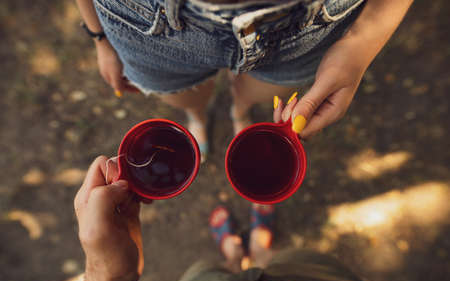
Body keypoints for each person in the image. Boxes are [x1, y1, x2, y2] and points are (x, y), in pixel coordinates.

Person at [75, 96, 382, 281]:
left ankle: (233, 254)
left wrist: (109, 279)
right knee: (292, 260)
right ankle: (260, 249)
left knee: (207, 272)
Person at [75, 0, 413, 161]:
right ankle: (198, 115)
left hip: (308, 24)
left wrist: (362, 41)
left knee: (259, 93)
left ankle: (240, 111)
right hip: (144, 22)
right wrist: (99, 35)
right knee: (187, 96)